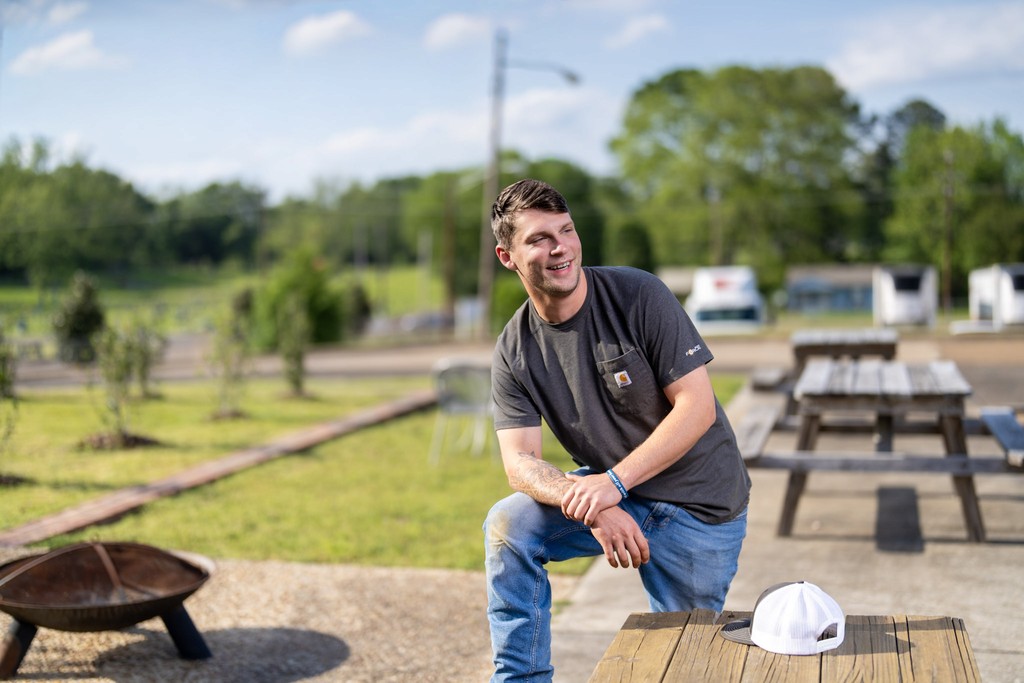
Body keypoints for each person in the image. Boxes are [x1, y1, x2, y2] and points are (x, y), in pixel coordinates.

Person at [483, 178, 751, 681]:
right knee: (508, 527)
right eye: (539, 238)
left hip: (700, 507)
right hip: (618, 493)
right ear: (507, 257)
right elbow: (519, 462)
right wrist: (591, 503)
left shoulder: (638, 295)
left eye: (566, 230)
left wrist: (613, 485)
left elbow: (697, 408)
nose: (560, 246)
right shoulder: (513, 349)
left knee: (682, 663)